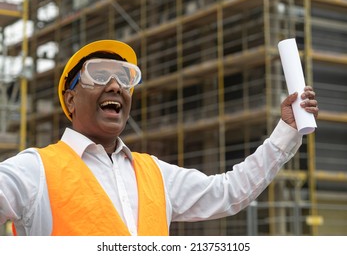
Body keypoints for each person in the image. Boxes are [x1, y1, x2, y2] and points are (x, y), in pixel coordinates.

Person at [0, 40, 319, 236]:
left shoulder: (153, 173)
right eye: (99, 74)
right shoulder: (36, 171)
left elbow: (228, 192)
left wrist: (287, 130)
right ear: (70, 101)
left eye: (125, 77)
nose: (115, 86)